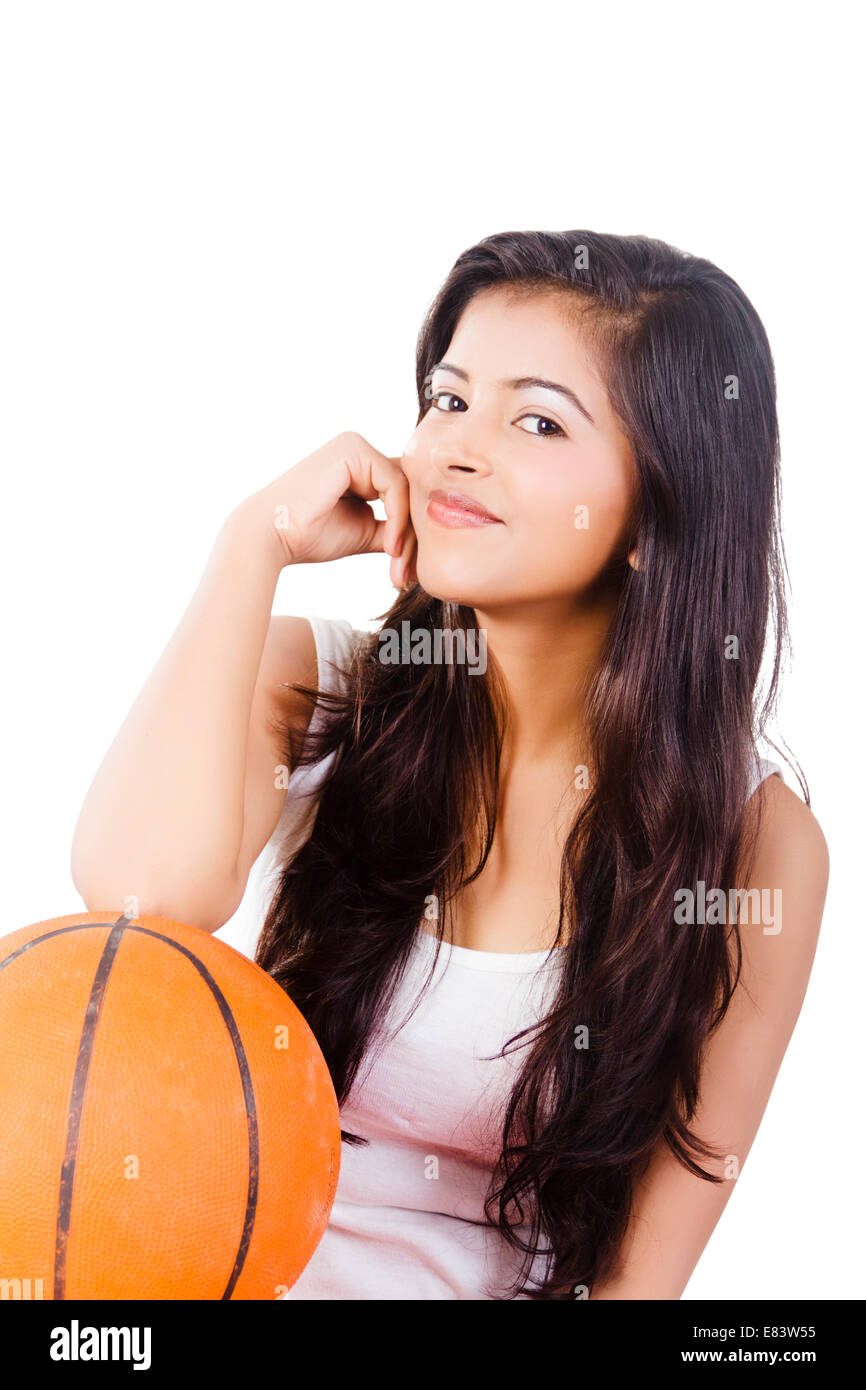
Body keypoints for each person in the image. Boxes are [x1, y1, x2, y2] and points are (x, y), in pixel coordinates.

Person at [71, 229, 829, 1300]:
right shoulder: (321, 690)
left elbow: (641, 1274)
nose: (455, 450)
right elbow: (136, 901)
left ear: (655, 515)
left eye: (535, 419)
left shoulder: (753, 838)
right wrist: (251, 543)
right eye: (447, 398)